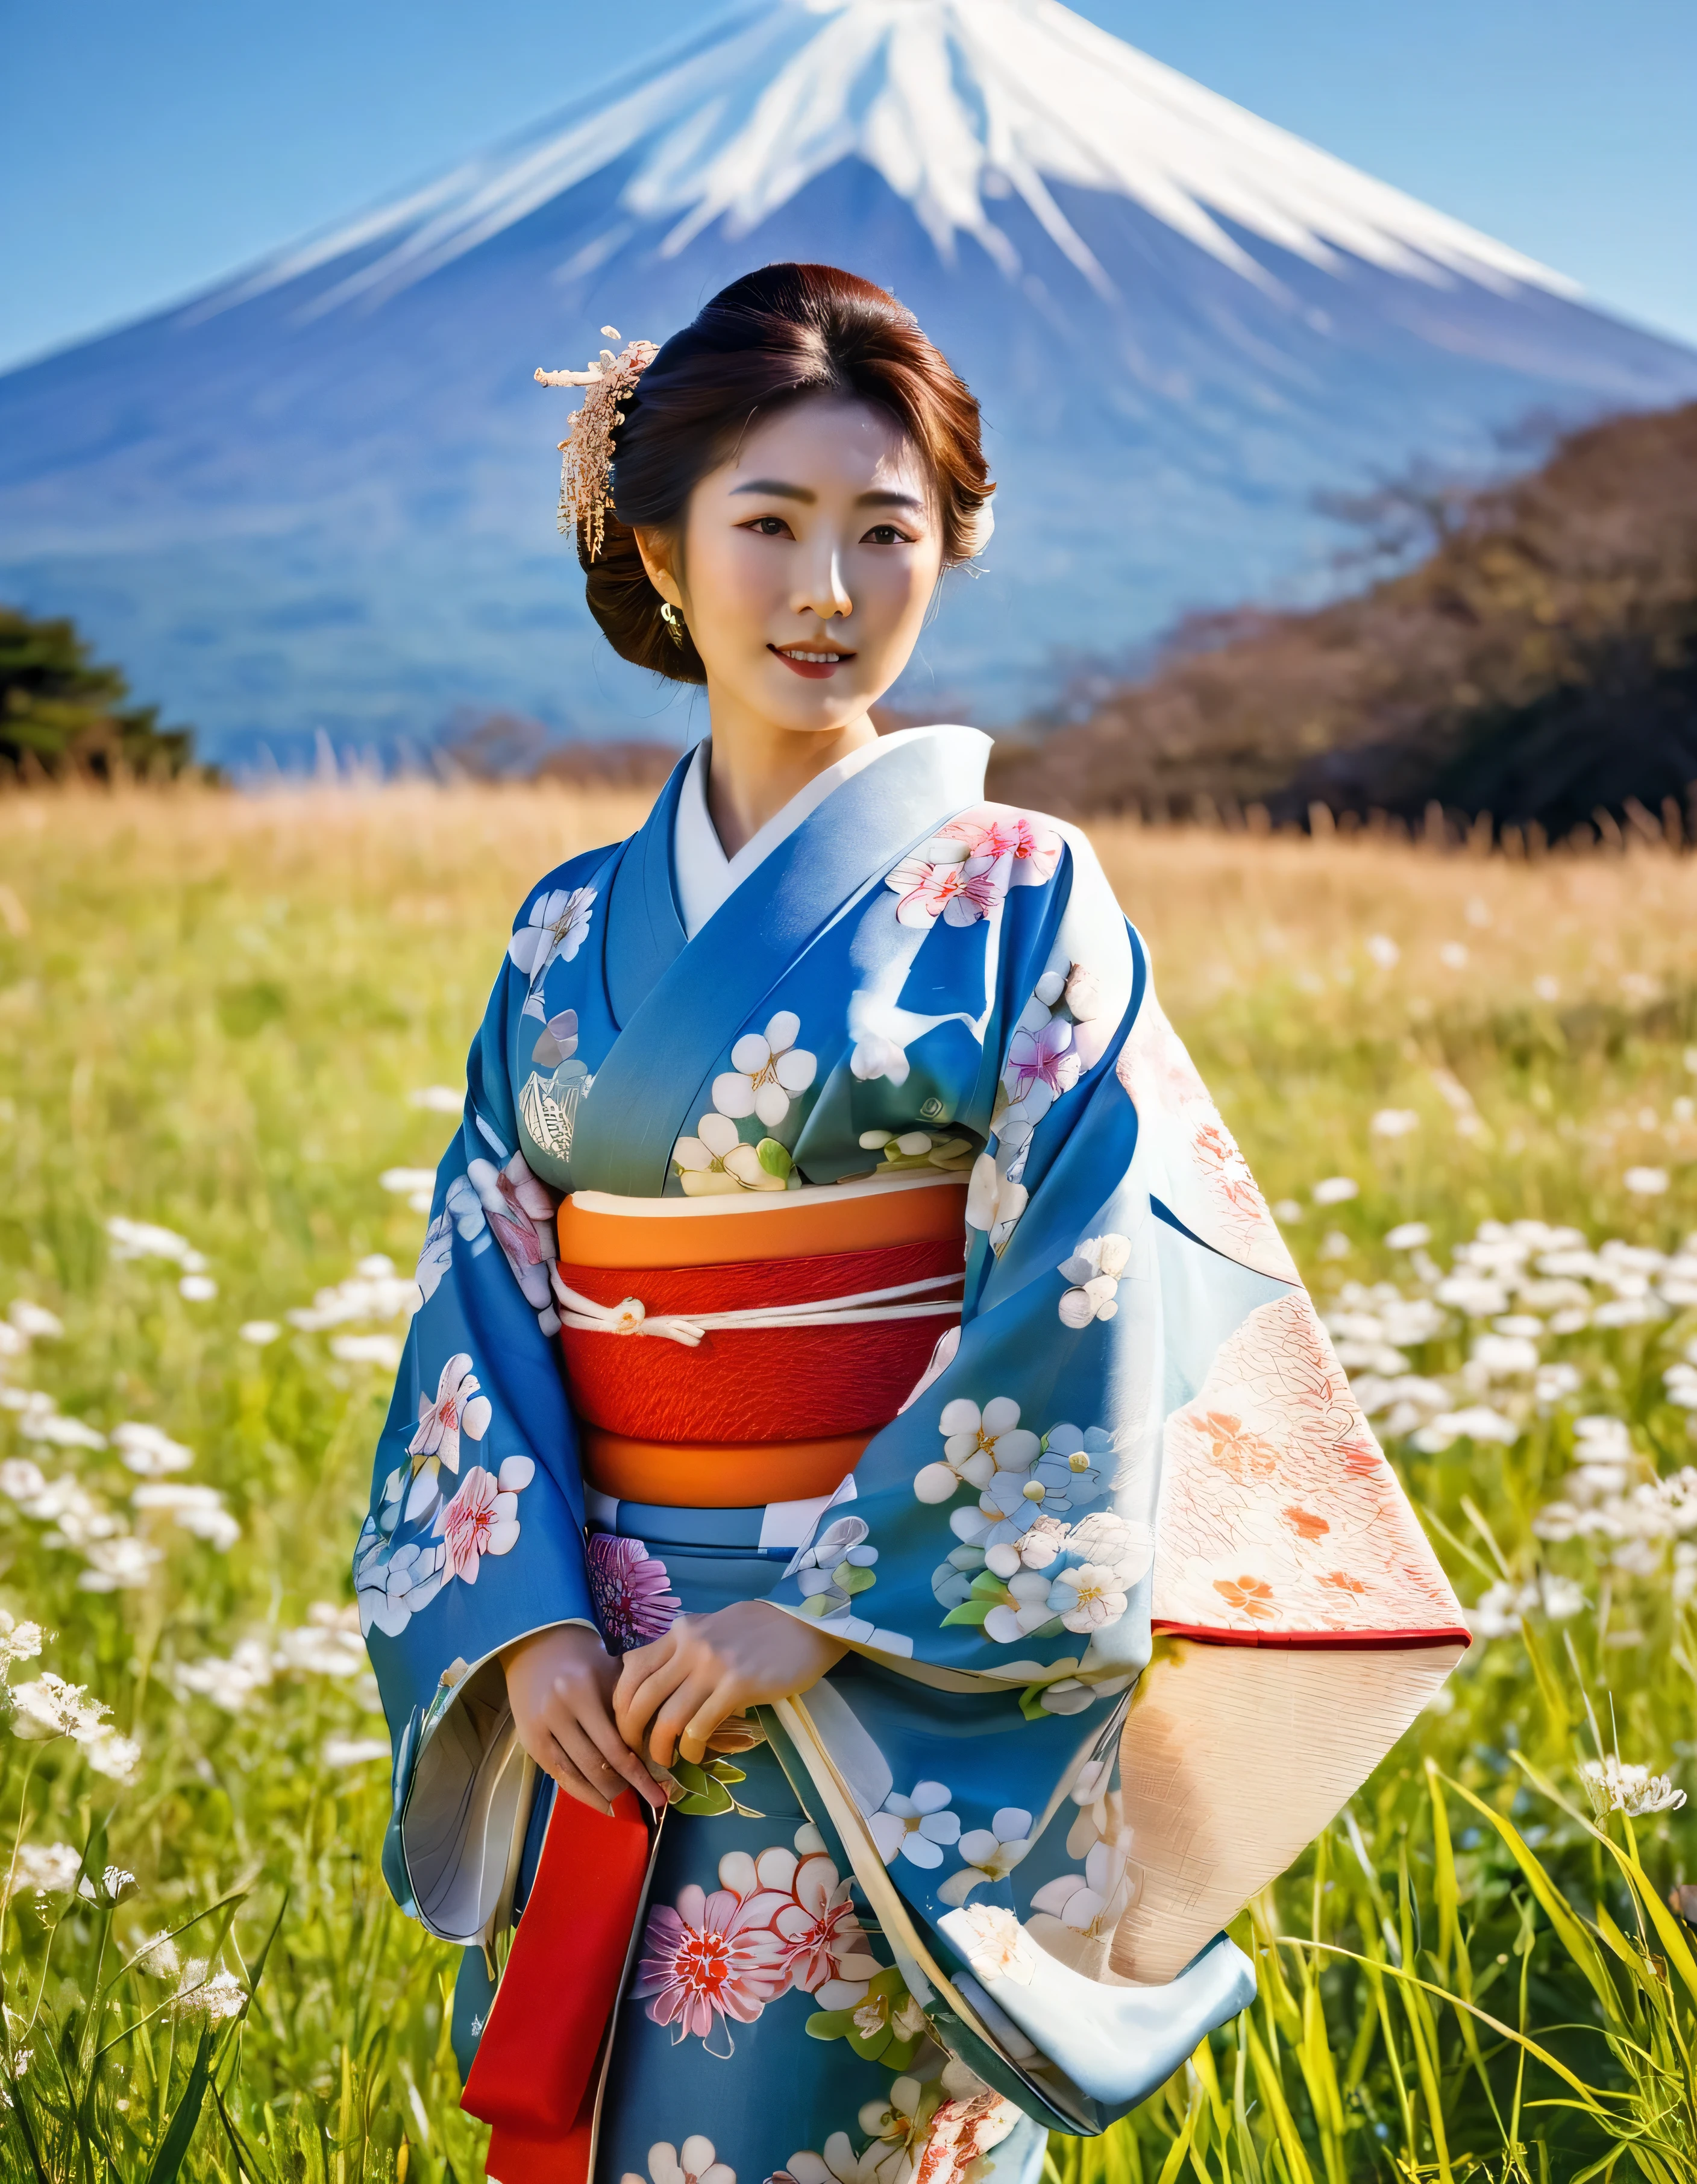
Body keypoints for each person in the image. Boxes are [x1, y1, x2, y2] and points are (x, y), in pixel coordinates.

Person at [356, 264, 1467, 2184]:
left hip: (879, 1684)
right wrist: (522, 1628)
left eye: (888, 533)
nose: (825, 592)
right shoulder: (558, 932)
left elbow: (1098, 1279)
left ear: (950, 548)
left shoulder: (1028, 891)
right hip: (603, 1689)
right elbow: (485, 1288)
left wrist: (825, 1607)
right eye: (768, 525)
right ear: (660, 548)